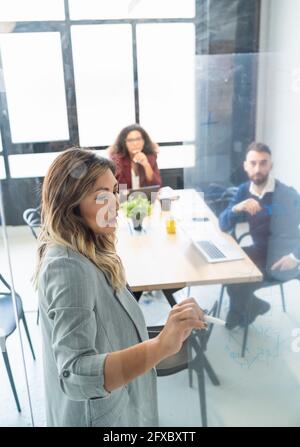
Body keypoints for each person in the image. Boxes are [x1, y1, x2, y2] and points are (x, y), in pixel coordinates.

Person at [34, 147, 205, 427]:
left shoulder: (92, 247)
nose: (115, 203)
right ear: (70, 204)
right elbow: (75, 376)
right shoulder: (66, 267)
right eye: (102, 196)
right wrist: (161, 345)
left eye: (115, 191)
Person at [219, 142, 300, 329]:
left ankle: (241, 312)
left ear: (271, 166)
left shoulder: (286, 194)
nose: (258, 169)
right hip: (260, 251)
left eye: (263, 163)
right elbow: (223, 224)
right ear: (245, 166)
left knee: (242, 280)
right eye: (253, 163)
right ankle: (251, 307)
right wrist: (237, 207)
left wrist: (295, 257)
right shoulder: (243, 191)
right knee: (228, 267)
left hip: (282, 259)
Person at [108, 124, 162, 189]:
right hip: (124, 198)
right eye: (130, 140)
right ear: (124, 143)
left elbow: (156, 186)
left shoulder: (150, 157)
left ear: (144, 141)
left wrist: (146, 165)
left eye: (138, 139)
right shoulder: (117, 159)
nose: (135, 143)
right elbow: (120, 188)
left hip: (145, 198)